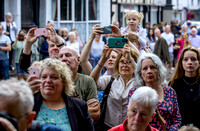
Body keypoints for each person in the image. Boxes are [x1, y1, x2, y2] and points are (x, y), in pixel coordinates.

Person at [32, 58, 94, 130]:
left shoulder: (79, 106)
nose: (48, 80)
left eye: (54, 77)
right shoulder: (29, 103)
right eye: (44, 77)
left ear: (64, 82)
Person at [90, 43, 140, 130]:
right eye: (121, 62)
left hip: (131, 128)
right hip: (108, 127)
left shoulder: (139, 82)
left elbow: (143, 75)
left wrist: (130, 57)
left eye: (128, 62)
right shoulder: (111, 80)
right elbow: (91, 83)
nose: (124, 65)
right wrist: (102, 61)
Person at [128, 53, 182, 131]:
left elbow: (177, 119)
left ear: (159, 70)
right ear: (141, 73)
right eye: (145, 68)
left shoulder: (170, 91)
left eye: (152, 67)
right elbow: (131, 119)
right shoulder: (134, 92)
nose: (149, 71)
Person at [58, 46, 100, 120]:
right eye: (60, 56)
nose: (63, 59)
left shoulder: (88, 81)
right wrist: (84, 107)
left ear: (78, 60)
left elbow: (95, 114)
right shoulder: (54, 82)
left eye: (68, 55)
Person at [169, 46, 200, 128]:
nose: (189, 62)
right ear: (181, 62)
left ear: (199, 62)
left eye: (193, 59)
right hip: (179, 128)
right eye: (185, 59)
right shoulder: (173, 84)